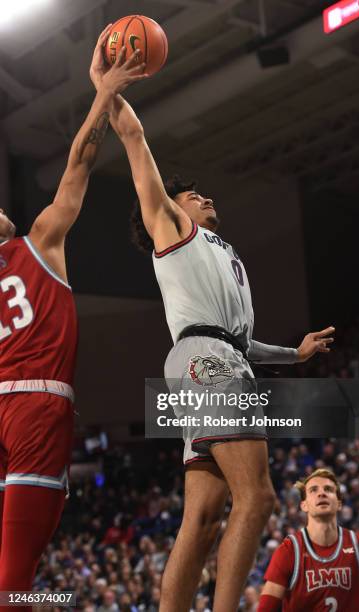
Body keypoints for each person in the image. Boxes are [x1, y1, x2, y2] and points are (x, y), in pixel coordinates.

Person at [90, 27, 335, 612]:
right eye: (193, 194)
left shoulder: (222, 253)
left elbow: (242, 341)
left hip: (211, 361)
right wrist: (106, 85)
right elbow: (132, 137)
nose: (202, 197)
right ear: (171, 207)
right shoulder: (172, 229)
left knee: (201, 519)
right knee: (260, 499)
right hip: (205, 362)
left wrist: (292, 356)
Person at [0, 43, 146, 600]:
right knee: (16, 578)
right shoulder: (38, 242)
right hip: (35, 406)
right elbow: (79, 164)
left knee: (18, 577)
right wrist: (104, 92)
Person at [258, 469, 359, 611]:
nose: (322, 493)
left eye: (328, 489)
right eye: (313, 490)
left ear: (339, 503)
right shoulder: (289, 551)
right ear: (304, 505)